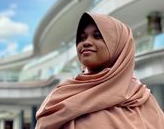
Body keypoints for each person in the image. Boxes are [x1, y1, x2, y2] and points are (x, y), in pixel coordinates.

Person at [36, 12, 164, 128]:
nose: (86, 42)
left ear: (118, 46)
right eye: (82, 37)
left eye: (97, 36)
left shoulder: (140, 97)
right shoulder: (63, 95)